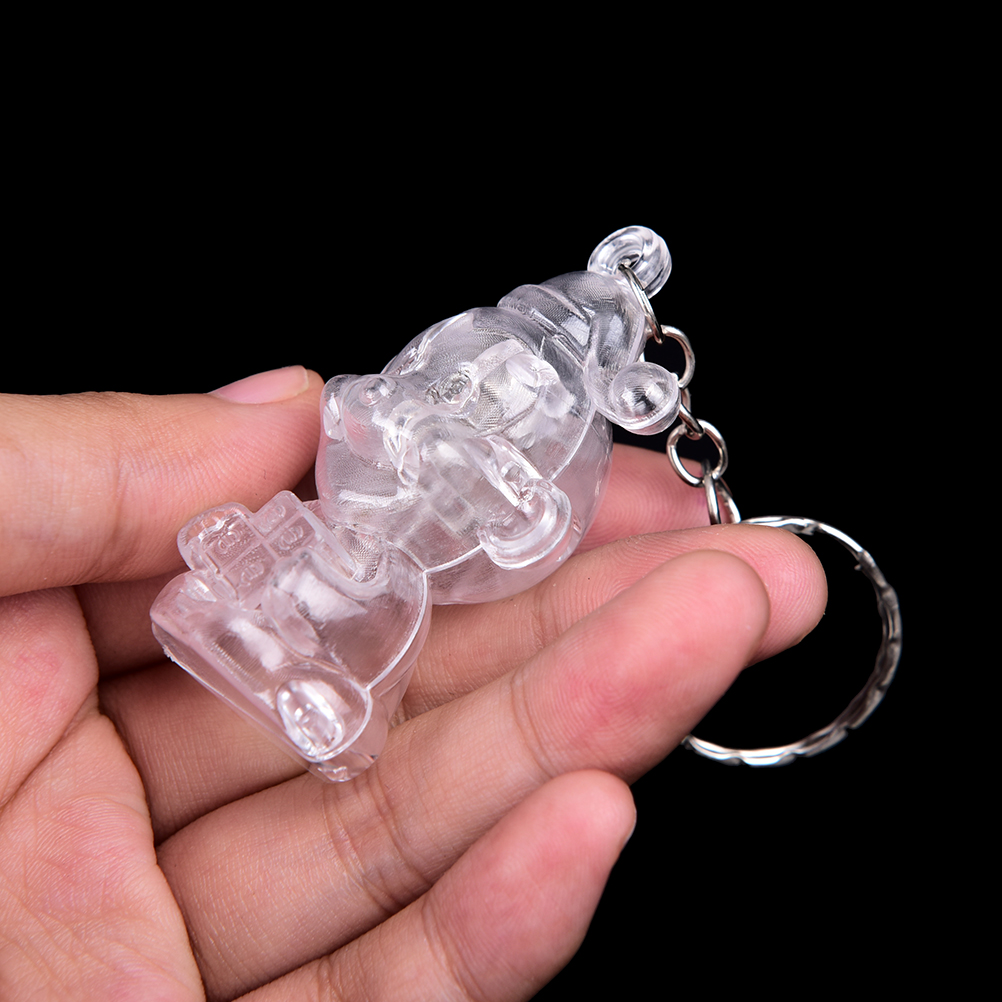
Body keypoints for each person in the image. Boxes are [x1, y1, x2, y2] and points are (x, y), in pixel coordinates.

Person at [0, 367, 827, 1000]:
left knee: (341, 613)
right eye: (468, 385)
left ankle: (320, 695)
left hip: (382, 582)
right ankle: (259, 642)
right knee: (261, 554)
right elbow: (355, 403)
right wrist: (384, 417)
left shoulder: (434, 560)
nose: (472, 398)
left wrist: (493, 488)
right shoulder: (388, 456)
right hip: (328, 544)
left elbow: (532, 525)